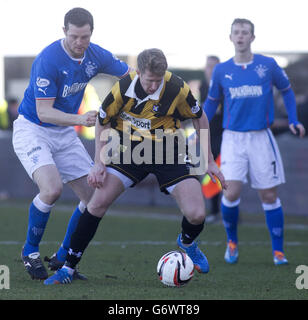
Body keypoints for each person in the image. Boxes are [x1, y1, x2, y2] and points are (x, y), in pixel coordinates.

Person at [44, 48, 227, 285]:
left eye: (158, 81)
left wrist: (210, 160)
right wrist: (99, 163)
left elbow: (199, 117)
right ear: (139, 72)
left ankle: (188, 243)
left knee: (197, 214)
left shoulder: (177, 88)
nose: (153, 86)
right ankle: (67, 268)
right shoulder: (122, 88)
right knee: (96, 203)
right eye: (149, 80)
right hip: (130, 151)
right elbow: (102, 121)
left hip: (169, 151)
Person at [12, 7, 130, 280]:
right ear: (64, 31)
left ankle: (63, 256)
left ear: (91, 33)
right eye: (75, 36)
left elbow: (129, 76)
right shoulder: (48, 59)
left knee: (94, 199)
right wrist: (80, 119)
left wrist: (150, 85)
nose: (80, 43)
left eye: (85, 37)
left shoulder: (95, 53)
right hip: (34, 128)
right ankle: (30, 251)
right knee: (51, 189)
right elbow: (43, 112)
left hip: (63, 133)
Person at [203, 18, 305, 266]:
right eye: (236, 32)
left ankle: (278, 252)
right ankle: (232, 242)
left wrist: (293, 119)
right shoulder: (221, 70)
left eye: (245, 32)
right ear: (230, 38)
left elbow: (287, 90)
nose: (240, 36)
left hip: (261, 137)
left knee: (269, 196)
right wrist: (200, 126)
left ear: (252, 37)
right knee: (231, 191)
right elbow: (211, 101)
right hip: (233, 139)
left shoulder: (267, 65)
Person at [199, 56, 223, 223]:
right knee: (211, 174)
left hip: (224, 136)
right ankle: (215, 211)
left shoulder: (223, 86)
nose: (210, 70)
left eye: (214, 67)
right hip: (209, 136)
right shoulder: (203, 86)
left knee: (226, 174)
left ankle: (228, 210)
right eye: (208, 66)